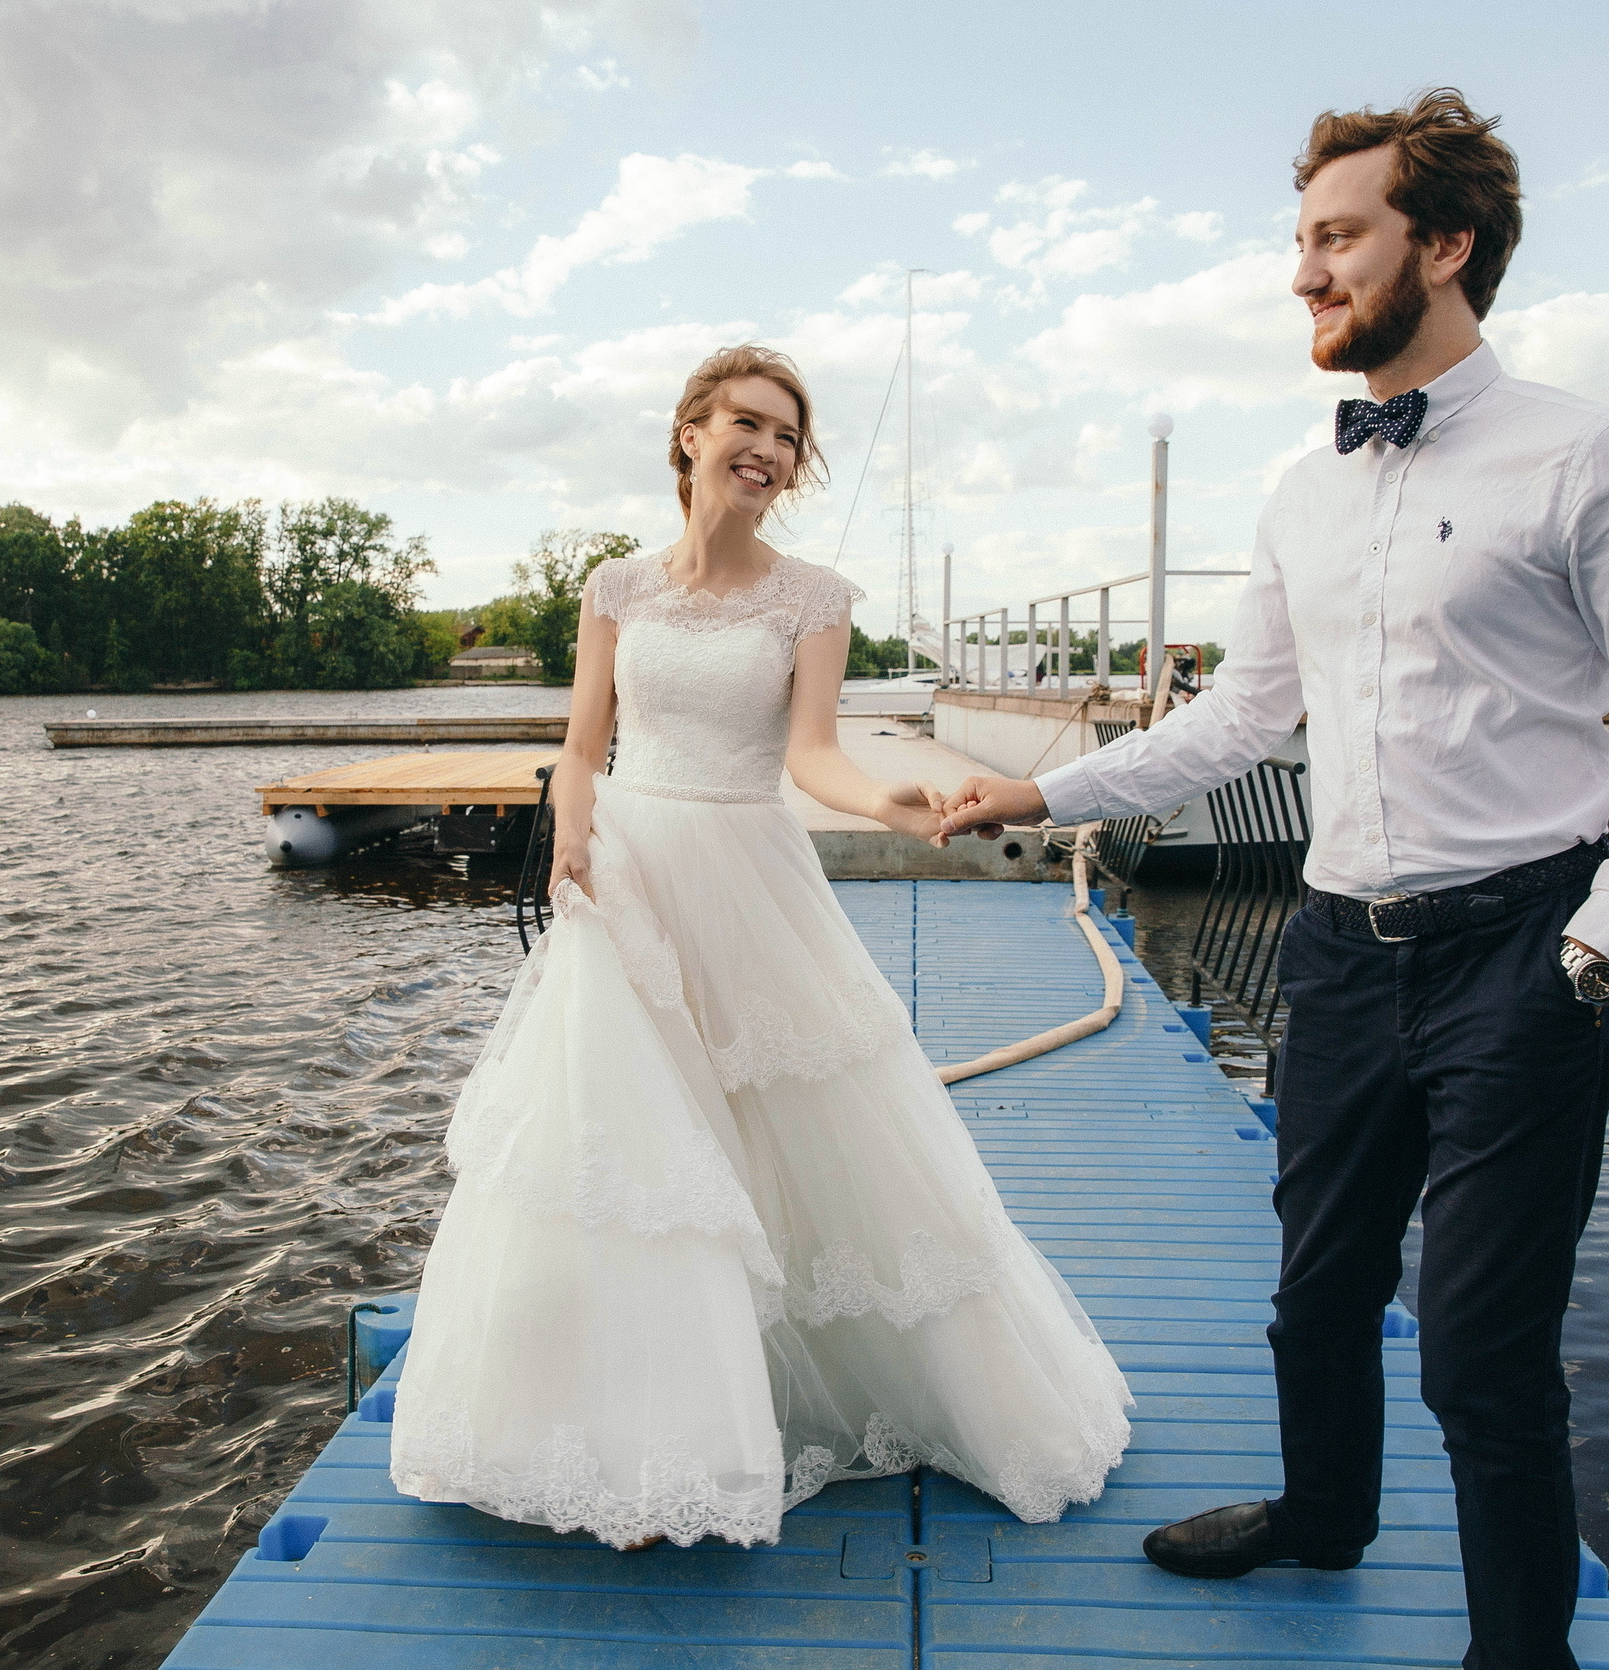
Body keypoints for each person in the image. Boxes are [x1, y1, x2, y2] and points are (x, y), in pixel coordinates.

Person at [936, 90, 1609, 1670]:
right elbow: (1242, 717)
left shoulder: (1587, 455)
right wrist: (1041, 789)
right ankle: (1322, 1516)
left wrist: (1591, 955)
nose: (1303, 275)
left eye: (1337, 238)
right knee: (1315, 1285)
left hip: (1524, 945)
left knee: (1478, 1351)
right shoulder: (1304, 489)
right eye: (1299, 242)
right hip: (1339, 947)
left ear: (1443, 245)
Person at [388, 345, 1132, 1551]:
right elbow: (583, 744)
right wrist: (573, 829)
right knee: (627, 1149)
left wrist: (898, 803)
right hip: (626, 875)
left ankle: (813, 1394)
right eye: (744, 422)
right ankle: (630, 1431)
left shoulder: (814, 597)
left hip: (747, 873)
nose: (766, 448)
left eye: (786, 435)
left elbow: (815, 759)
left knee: (789, 1129)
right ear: (688, 434)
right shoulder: (614, 586)